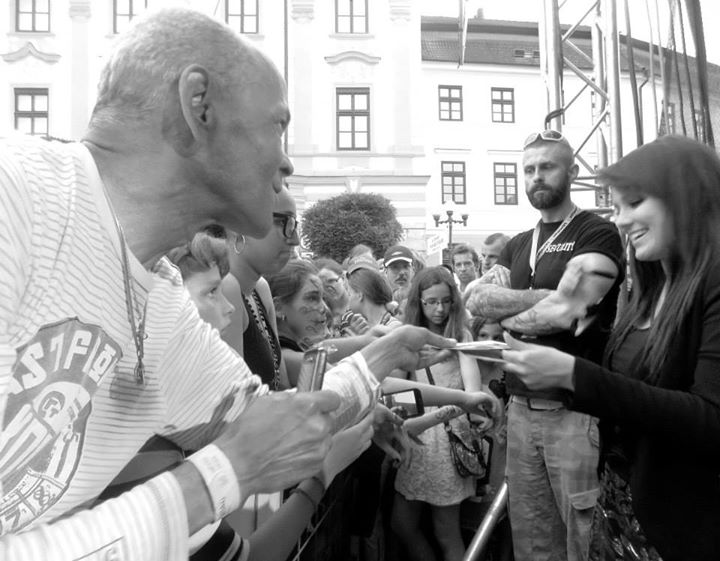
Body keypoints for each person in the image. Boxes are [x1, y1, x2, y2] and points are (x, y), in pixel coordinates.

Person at [0, 8, 465, 558]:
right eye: (278, 126)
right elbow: (246, 454)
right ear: (198, 106)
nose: (286, 162)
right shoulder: (18, 196)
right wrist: (222, 474)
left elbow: (272, 423)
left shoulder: (163, 300)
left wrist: (386, 353)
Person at [500, 135, 720, 561]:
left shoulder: (711, 281)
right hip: (624, 508)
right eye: (617, 208)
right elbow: (480, 303)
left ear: (685, 197)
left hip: (684, 523)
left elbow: (710, 417)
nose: (621, 220)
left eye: (634, 203)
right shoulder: (652, 286)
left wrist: (572, 375)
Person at [103, 230, 374, 561]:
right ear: (163, 308)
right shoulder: (144, 446)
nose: (230, 307)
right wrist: (322, 474)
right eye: (212, 292)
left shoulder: (177, 418)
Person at [464, 130, 623, 561]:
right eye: (529, 169)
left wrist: (510, 312)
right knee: (532, 542)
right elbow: (475, 302)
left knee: (584, 540)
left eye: (547, 167)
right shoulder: (519, 244)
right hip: (519, 409)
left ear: (570, 172)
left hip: (574, 411)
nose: (536, 176)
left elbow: (569, 311)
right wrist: (546, 298)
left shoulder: (597, 232)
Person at [392, 267, 486, 561]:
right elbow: (396, 391)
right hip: (416, 437)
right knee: (402, 524)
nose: (440, 309)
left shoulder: (461, 335)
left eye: (446, 301)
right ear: (418, 302)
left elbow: (472, 395)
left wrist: (438, 413)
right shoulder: (408, 336)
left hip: (447, 440)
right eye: (431, 302)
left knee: (446, 531)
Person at [221, 186, 300, 390]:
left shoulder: (260, 288)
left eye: (294, 224)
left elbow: (281, 384)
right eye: (284, 222)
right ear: (239, 224)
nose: (295, 239)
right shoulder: (225, 288)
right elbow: (236, 399)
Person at [383, 245, 416, 312]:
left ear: (413, 270)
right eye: (395, 267)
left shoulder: (422, 299)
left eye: (405, 266)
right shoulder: (378, 304)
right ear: (385, 272)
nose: (401, 273)